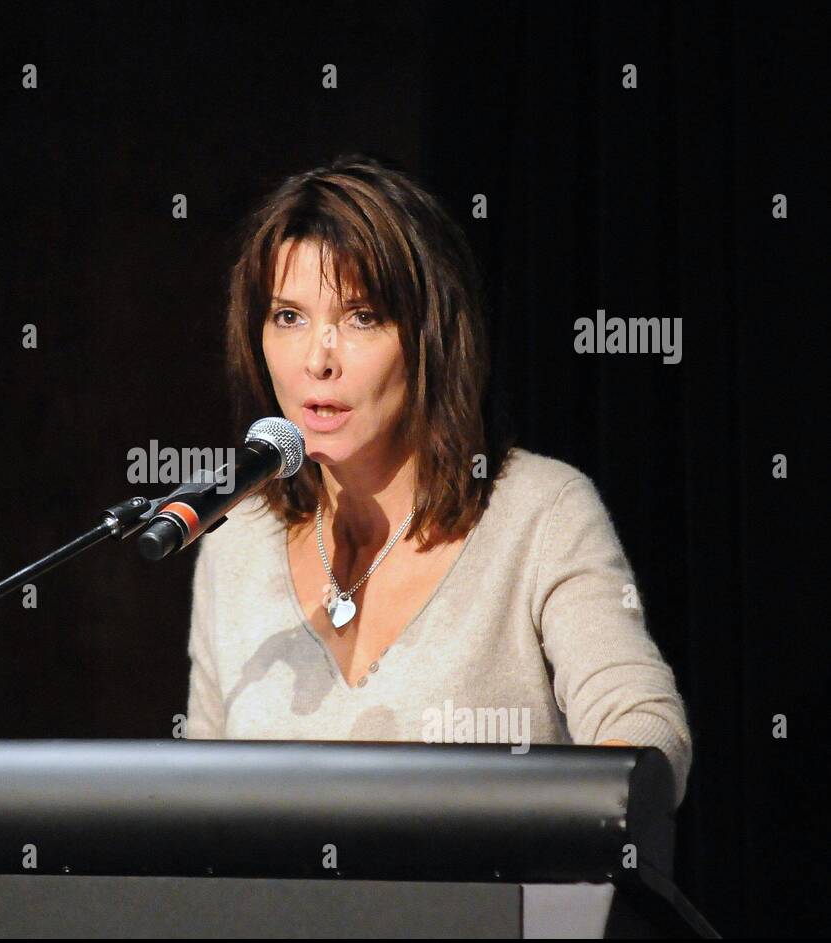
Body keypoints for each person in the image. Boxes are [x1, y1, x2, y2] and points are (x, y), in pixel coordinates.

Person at [184, 154, 693, 808]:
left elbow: (645, 732)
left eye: (362, 317)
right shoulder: (235, 543)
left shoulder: (539, 513)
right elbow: (194, 808)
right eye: (289, 317)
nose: (318, 358)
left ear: (428, 337)